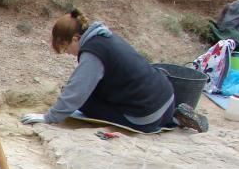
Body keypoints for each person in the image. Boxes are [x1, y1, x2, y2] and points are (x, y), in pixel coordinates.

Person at [22, 9, 208, 133]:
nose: (69, 53)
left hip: (144, 117)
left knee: (85, 102)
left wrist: (49, 118)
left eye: (66, 47)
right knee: (105, 90)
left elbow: (76, 91)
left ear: (76, 38)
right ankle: (174, 118)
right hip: (166, 98)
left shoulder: (93, 53)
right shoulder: (105, 37)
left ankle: (160, 120)